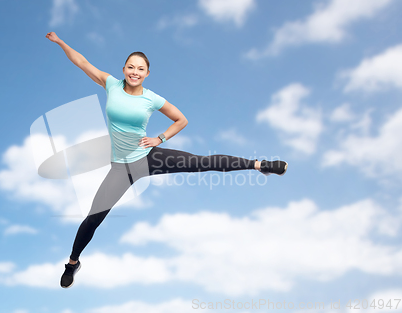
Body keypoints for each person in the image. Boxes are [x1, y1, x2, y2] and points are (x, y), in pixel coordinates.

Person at [45, 32, 288, 288]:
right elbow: (82, 62)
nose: (134, 72)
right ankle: (72, 263)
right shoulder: (111, 85)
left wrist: (160, 138)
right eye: (130, 67)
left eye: (140, 69)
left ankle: (260, 165)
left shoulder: (152, 98)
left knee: (202, 163)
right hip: (121, 169)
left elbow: (181, 119)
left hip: (149, 157)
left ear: (147, 73)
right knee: (93, 218)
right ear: (124, 69)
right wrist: (61, 43)